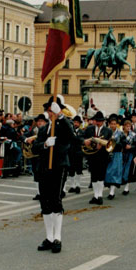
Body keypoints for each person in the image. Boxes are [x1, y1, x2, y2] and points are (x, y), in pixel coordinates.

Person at [32, 96, 75, 254]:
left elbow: (71, 135)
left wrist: (62, 117)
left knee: (56, 201)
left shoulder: (64, 126)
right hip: (44, 167)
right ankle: (49, 237)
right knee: (45, 202)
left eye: (53, 110)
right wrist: (44, 144)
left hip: (59, 166)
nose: (50, 113)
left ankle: (57, 237)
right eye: (49, 110)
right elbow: (35, 148)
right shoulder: (44, 129)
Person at [84, 111, 112, 205]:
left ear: (103, 121)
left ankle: (100, 195)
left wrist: (102, 146)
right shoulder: (89, 129)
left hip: (102, 156)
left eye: (100, 121)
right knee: (94, 176)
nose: (98, 122)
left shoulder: (108, 131)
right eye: (97, 120)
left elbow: (110, 143)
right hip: (92, 156)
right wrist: (90, 144)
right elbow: (85, 139)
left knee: (101, 176)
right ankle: (95, 195)